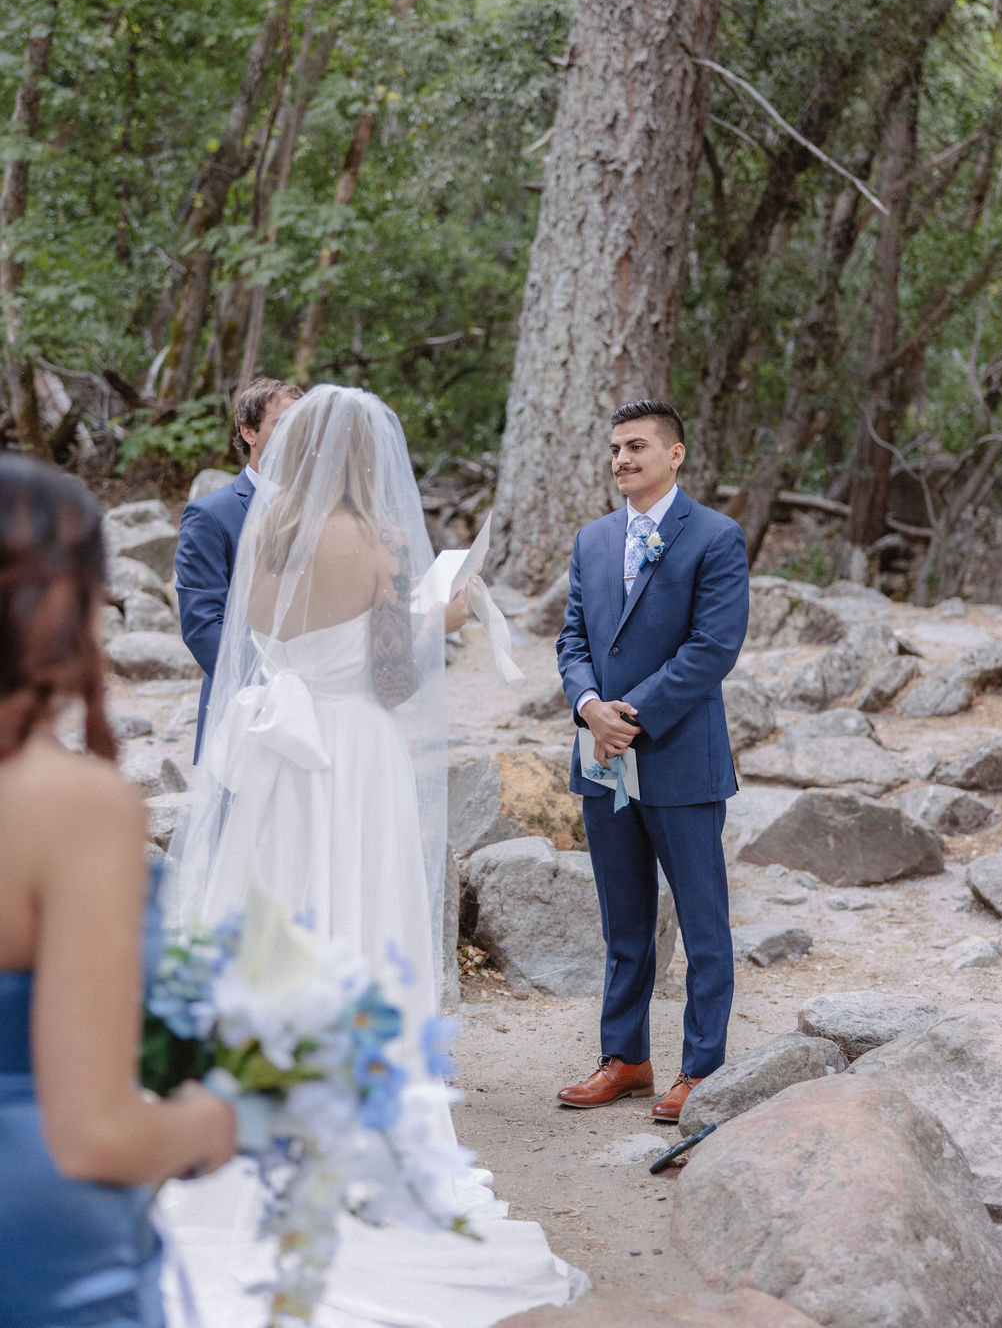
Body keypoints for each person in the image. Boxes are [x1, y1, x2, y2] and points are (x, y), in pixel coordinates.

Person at [162, 385, 586, 1325]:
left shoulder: (270, 534)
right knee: (356, 932)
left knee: (276, 937)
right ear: (367, 459)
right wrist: (439, 611)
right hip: (346, 761)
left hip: (281, 774)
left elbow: (266, 649)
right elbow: (393, 677)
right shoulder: (369, 542)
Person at [0, 456, 236, 1328]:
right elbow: (95, 1132)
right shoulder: (68, 807)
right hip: (35, 1247)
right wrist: (225, 1119)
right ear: (55, 605)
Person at [555, 398, 749, 1122]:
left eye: (636, 446)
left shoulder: (716, 538)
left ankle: (701, 1070)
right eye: (614, 449)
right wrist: (587, 708)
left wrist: (625, 715)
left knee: (703, 924)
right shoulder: (593, 540)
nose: (621, 460)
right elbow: (571, 639)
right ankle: (627, 1058)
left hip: (677, 758)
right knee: (624, 921)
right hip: (601, 758)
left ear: (675, 454)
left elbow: (712, 648)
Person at [175, 377, 302, 760]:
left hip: (321, 708)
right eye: (283, 423)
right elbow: (202, 624)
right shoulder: (211, 515)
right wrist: (270, 693)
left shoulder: (327, 512)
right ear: (249, 432)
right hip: (245, 709)